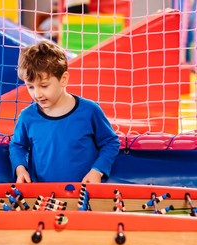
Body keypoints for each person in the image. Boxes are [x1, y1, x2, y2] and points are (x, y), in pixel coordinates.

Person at [9, 40, 120, 184]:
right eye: (30, 87)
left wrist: (97, 171)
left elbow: (110, 142)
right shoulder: (27, 117)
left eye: (44, 85)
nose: (37, 94)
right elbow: (17, 145)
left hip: (84, 193)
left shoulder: (90, 111)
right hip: (43, 195)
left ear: (63, 79)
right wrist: (20, 169)